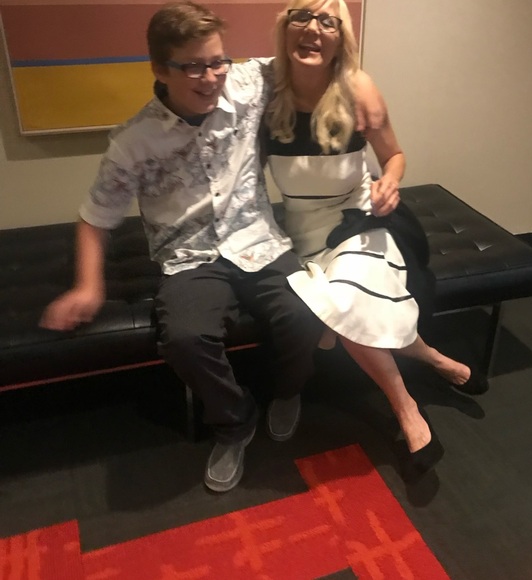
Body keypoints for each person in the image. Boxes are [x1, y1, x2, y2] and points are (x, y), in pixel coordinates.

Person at [39, 1, 385, 493]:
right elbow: (95, 217)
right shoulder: (134, 142)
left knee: (309, 313)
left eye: (218, 61)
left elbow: (312, 56)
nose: (211, 77)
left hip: (259, 241)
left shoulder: (249, 83)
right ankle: (234, 421)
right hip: (191, 258)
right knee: (185, 338)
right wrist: (88, 286)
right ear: (160, 69)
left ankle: (287, 390)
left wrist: (361, 82)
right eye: (193, 66)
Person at [263, 0, 488, 482]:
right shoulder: (264, 94)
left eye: (328, 21)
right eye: (302, 16)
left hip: (362, 219)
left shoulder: (356, 89)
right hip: (304, 234)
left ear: (340, 38)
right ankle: (431, 357)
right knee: (340, 304)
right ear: (285, 28)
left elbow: (395, 156)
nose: (313, 28)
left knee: (342, 299)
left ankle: (406, 409)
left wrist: (390, 181)